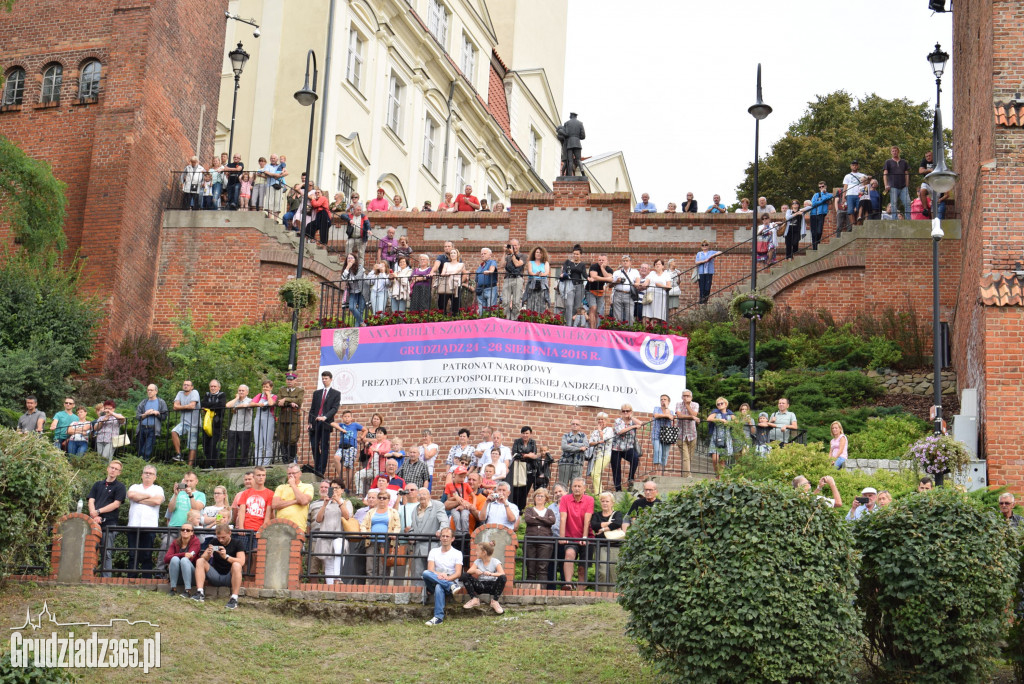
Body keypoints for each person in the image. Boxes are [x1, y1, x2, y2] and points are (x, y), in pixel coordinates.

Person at [192, 523, 245, 609]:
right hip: (215, 576)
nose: (220, 540)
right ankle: (200, 593)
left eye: (223, 537)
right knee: (200, 561)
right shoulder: (214, 541)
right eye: (218, 537)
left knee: (236, 565)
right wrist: (208, 554)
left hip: (230, 577)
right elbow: (203, 558)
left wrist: (226, 557)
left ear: (229, 533)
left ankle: (234, 598)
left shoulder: (237, 543)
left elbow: (242, 561)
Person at [88, 460, 126, 577]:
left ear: (119, 473)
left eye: (116, 469)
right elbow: (91, 500)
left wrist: (98, 512)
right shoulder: (97, 484)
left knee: (106, 552)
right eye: (112, 467)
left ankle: (106, 579)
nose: (113, 470)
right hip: (94, 522)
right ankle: (88, 576)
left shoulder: (120, 487)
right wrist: (94, 515)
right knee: (89, 550)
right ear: (107, 469)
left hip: (109, 524)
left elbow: (116, 504)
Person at [126, 465, 164, 576]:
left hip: (150, 526)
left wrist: (139, 499)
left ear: (155, 477)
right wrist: (148, 496)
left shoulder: (158, 489)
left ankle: (146, 579)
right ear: (142, 475)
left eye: (151, 473)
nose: (148, 474)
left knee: (147, 554)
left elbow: (157, 501)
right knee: (133, 554)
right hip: (133, 525)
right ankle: (131, 579)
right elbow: (131, 495)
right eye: (146, 472)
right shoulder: (134, 486)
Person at [403, 486, 447, 582]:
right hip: (418, 548)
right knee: (418, 576)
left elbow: (444, 521)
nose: (422, 496)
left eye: (424, 494)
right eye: (419, 494)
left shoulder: (438, 505)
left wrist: (441, 531)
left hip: (433, 546)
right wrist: (411, 537)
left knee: (433, 575)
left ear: (429, 496)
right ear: (417, 497)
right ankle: (418, 596)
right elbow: (413, 528)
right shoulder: (415, 509)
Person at [422, 528, 463, 625]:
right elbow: (430, 569)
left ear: (452, 539)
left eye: (447, 536)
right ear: (440, 538)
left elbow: (458, 573)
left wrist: (447, 578)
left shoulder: (457, 553)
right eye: (443, 536)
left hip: (448, 583)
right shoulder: (434, 551)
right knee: (425, 573)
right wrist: (441, 575)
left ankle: (438, 617)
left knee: (439, 586)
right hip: (435, 582)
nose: (445, 538)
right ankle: (450, 585)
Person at [559, 477, 593, 591]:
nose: (577, 488)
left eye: (579, 486)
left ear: (584, 488)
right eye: (575, 486)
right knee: (569, 554)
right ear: (571, 488)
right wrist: (562, 537)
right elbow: (563, 518)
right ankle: (568, 584)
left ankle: (581, 589)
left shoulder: (589, 499)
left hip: (586, 536)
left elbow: (587, 519)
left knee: (582, 565)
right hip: (570, 536)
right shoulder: (565, 499)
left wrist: (584, 537)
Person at [361, 486, 400, 583]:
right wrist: (364, 533)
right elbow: (364, 524)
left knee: (383, 566)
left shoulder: (393, 512)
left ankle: (383, 587)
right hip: (371, 541)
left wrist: (394, 534)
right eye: (380, 498)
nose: (382, 500)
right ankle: (372, 587)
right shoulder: (371, 512)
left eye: (384, 498)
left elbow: (397, 525)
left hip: (386, 541)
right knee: (370, 565)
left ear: (388, 500)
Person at [591, 491, 627, 588]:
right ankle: (601, 595)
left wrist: (602, 528)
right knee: (602, 571)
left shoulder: (617, 514)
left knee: (613, 572)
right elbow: (594, 525)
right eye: (602, 501)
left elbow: (618, 523)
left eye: (607, 501)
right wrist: (609, 524)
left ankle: (613, 596)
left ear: (612, 503)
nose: (605, 503)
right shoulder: (596, 515)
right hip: (601, 545)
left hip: (615, 546)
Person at [309, 371, 341, 477]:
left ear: (331, 379)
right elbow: (312, 409)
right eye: (323, 378)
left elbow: (334, 408)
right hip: (315, 422)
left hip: (326, 423)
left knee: (324, 446)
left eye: (326, 378)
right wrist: (310, 422)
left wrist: (325, 417)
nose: (324, 380)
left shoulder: (336, 393)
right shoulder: (317, 393)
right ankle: (317, 466)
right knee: (314, 445)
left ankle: (320, 470)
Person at [462, 540, 506, 614]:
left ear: (484, 552)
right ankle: (474, 599)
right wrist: (475, 570)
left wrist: (491, 574)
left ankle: (495, 601)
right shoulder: (477, 561)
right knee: (464, 575)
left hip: (493, 586)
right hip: (481, 586)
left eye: (477, 551)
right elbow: (469, 571)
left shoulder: (495, 561)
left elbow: (502, 574)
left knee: (503, 578)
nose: (475, 552)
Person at [523, 488, 556, 582]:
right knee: (530, 567)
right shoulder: (529, 510)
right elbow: (528, 520)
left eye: (542, 496)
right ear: (534, 498)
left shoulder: (549, 511)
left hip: (545, 542)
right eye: (537, 495)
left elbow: (552, 521)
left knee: (543, 568)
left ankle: (542, 591)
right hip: (530, 541)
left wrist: (536, 518)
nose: (539, 498)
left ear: (546, 499)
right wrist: (543, 519)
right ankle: (529, 591)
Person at [272, 463, 314, 532]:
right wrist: (295, 501)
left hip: (298, 527)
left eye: (294, 473)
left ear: (300, 473)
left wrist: (293, 485)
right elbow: (275, 505)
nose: (291, 476)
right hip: (280, 526)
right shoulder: (281, 487)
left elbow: (304, 501)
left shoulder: (307, 486)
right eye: (289, 474)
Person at [164, 522, 201, 596]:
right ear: (180, 531)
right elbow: (166, 559)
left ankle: (188, 590)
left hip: (192, 577)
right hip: (177, 576)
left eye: (188, 530)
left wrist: (183, 556)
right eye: (183, 529)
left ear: (192, 533)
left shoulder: (196, 542)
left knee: (184, 560)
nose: (185, 531)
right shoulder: (176, 542)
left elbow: (190, 557)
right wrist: (183, 554)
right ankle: (173, 589)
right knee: (174, 559)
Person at [236, 465, 275, 534]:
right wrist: (241, 528)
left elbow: (268, 515)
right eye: (258, 475)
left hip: (260, 529)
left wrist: (263, 529)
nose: (261, 477)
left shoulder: (270, 493)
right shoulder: (246, 493)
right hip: (246, 529)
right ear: (254, 477)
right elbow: (241, 512)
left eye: (263, 475)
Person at [276, 372, 305, 463]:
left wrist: (285, 399)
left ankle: (292, 459)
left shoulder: (299, 390)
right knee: (282, 439)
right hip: (283, 418)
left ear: (295, 381)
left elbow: (299, 401)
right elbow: (278, 401)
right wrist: (290, 402)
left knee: (293, 439)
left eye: (291, 380)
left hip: (294, 418)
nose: (289, 381)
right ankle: (284, 459)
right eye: (288, 379)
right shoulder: (282, 390)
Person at [611, 404, 641, 492]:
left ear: (631, 412)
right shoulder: (618, 421)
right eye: (623, 411)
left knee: (635, 458)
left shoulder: (633, 421)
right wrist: (633, 427)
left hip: (628, 447)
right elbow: (620, 432)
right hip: (616, 448)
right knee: (616, 469)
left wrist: (631, 418)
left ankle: (630, 478)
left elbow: (641, 424)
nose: (625, 413)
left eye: (627, 411)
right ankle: (618, 489)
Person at [170, 380, 201, 464]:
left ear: (192, 387)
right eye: (184, 385)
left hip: (194, 423)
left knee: (192, 445)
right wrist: (186, 406)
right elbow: (175, 406)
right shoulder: (180, 393)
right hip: (184, 422)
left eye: (188, 385)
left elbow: (192, 406)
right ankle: (179, 455)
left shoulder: (195, 392)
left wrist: (180, 407)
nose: (186, 386)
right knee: (174, 432)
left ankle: (189, 467)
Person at [134, 384, 168, 461]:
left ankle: (144, 465)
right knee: (139, 450)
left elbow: (164, 417)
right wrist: (146, 414)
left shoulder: (161, 402)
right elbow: (137, 417)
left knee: (147, 450)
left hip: (153, 429)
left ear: (156, 391)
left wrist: (157, 413)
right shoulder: (143, 402)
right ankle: (139, 466)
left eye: (151, 390)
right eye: (148, 390)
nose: (149, 392)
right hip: (141, 428)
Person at [509, 426, 539, 510]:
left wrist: (523, 455)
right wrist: (527, 455)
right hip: (518, 469)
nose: (525, 435)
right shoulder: (517, 442)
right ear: (521, 434)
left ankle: (521, 510)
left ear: (530, 434)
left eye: (527, 433)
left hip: (529, 470)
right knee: (517, 491)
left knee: (525, 492)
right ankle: (514, 509)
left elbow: (534, 454)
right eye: (523, 433)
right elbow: (515, 454)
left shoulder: (533, 442)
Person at [250, 380, 277, 467]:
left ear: (271, 388)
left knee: (267, 442)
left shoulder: (274, 396)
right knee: (258, 442)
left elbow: (271, 403)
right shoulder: (259, 395)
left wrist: (268, 395)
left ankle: (266, 464)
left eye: (267, 387)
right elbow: (251, 403)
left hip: (268, 419)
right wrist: (258, 404)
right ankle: (258, 463)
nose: (265, 388)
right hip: (258, 418)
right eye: (264, 386)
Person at [707, 397, 735, 477]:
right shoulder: (716, 412)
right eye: (718, 404)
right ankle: (717, 474)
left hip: (727, 438)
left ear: (726, 404)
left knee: (722, 461)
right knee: (715, 459)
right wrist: (720, 420)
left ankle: (720, 478)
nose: (719, 405)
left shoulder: (730, 413)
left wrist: (729, 423)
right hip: (716, 437)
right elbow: (709, 419)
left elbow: (736, 422)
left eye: (721, 403)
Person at [588, 412, 614, 494]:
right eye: (598, 419)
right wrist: (597, 442)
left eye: (602, 419)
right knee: (594, 474)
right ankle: (599, 492)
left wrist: (600, 431)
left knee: (595, 474)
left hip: (605, 454)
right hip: (596, 455)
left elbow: (604, 439)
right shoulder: (594, 432)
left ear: (606, 420)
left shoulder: (609, 430)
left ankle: (598, 494)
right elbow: (590, 442)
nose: (600, 421)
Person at [883, 145, 912, 220]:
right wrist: (886, 185)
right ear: (891, 152)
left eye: (896, 151)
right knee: (893, 204)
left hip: (903, 186)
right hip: (893, 186)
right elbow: (885, 174)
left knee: (907, 203)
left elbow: (906, 174)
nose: (894, 152)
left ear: (898, 152)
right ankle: (894, 220)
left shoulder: (904, 162)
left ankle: (909, 219)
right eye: (893, 151)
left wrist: (907, 185)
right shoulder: (888, 162)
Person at [558, 419, 588, 488]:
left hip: (578, 463)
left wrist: (572, 444)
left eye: (577, 424)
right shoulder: (566, 435)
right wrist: (579, 448)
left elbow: (586, 445)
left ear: (580, 426)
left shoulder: (583, 436)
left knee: (575, 486)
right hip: (565, 463)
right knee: (562, 485)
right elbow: (564, 447)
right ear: (571, 425)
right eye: (573, 424)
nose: (575, 425)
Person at [586, 254, 613, 328]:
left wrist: (602, 268)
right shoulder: (594, 266)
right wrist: (606, 279)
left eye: (603, 260)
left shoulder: (609, 269)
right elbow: (594, 276)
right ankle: (592, 329)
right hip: (590, 291)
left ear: (607, 261)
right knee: (593, 308)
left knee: (597, 312)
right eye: (599, 260)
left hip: (600, 292)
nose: (601, 261)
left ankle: (596, 327)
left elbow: (610, 279)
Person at [611, 255, 640, 323]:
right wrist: (617, 281)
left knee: (630, 314)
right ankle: (618, 329)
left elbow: (638, 282)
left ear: (630, 262)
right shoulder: (617, 272)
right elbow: (610, 285)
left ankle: (629, 330)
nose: (625, 262)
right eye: (623, 261)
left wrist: (636, 284)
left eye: (627, 261)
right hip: (618, 293)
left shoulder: (635, 271)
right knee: (617, 315)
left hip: (629, 294)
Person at [502, 239, 526, 320]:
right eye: (512, 245)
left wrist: (512, 254)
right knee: (505, 302)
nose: (514, 247)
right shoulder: (508, 256)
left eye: (515, 245)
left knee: (516, 302)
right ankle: (505, 319)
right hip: (508, 279)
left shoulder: (523, 256)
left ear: (519, 246)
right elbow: (501, 265)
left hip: (517, 279)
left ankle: (515, 320)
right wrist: (504, 253)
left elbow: (517, 264)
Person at [650, 394, 673, 475]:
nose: (662, 401)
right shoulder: (656, 408)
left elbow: (671, 418)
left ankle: (662, 472)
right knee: (657, 451)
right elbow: (656, 415)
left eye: (665, 399)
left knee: (665, 454)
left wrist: (666, 408)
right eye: (661, 399)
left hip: (667, 435)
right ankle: (657, 472)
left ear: (668, 402)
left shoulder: (671, 411)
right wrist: (666, 415)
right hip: (656, 434)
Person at [438, 247, 466, 314]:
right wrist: (446, 274)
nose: (453, 254)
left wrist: (448, 273)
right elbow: (442, 273)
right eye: (451, 253)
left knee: (456, 304)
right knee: (442, 303)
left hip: (456, 285)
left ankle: (455, 318)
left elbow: (456, 271)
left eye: (454, 253)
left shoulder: (461, 264)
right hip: (446, 284)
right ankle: (442, 317)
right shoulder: (446, 264)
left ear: (457, 255)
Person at [808, 182, 833, 250]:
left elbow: (825, 198)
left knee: (819, 231)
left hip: (821, 214)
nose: (821, 188)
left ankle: (817, 243)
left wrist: (822, 194)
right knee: (814, 232)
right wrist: (822, 201)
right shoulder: (816, 195)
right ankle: (815, 248)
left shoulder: (829, 195)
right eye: (820, 187)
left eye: (822, 186)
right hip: (813, 214)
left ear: (825, 186)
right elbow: (813, 203)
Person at [524, 246, 550, 313]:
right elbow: (530, 271)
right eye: (537, 252)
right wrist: (535, 274)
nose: (538, 254)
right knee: (531, 302)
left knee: (541, 303)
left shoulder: (545, 263)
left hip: (542, 285)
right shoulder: (530, 262)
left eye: (540, 252)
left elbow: (547, 272)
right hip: (532, 284)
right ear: (534, 254)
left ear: (542, 254)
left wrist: (542, 274)